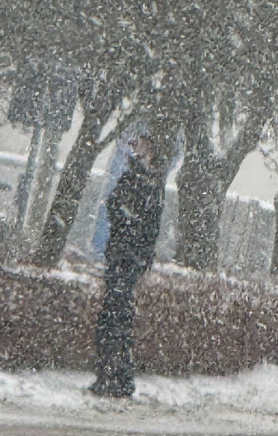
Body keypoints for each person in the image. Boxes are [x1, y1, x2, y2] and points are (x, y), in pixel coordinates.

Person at [91, 134, 166, 398]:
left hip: (126, 257)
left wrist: (131, 241)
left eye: (140, 143)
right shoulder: (141, 179)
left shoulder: (145, 181)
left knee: (114, 317)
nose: (133, 147)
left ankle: (115, 377)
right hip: (125, 256)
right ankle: (115, 376)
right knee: (115, 316)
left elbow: (133, 216)